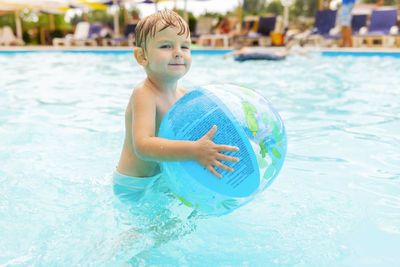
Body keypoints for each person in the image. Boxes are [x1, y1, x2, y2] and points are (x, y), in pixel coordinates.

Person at [114, 10, 239, 201]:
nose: (178, 53)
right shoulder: (145, 94)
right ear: (142, 57)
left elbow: (203, 136)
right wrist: (195, 150)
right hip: (135, 185)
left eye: (185, 47)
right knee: (145, 230)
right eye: (166, 46)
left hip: (164, 178)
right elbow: (143, 146)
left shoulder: (187, 97)